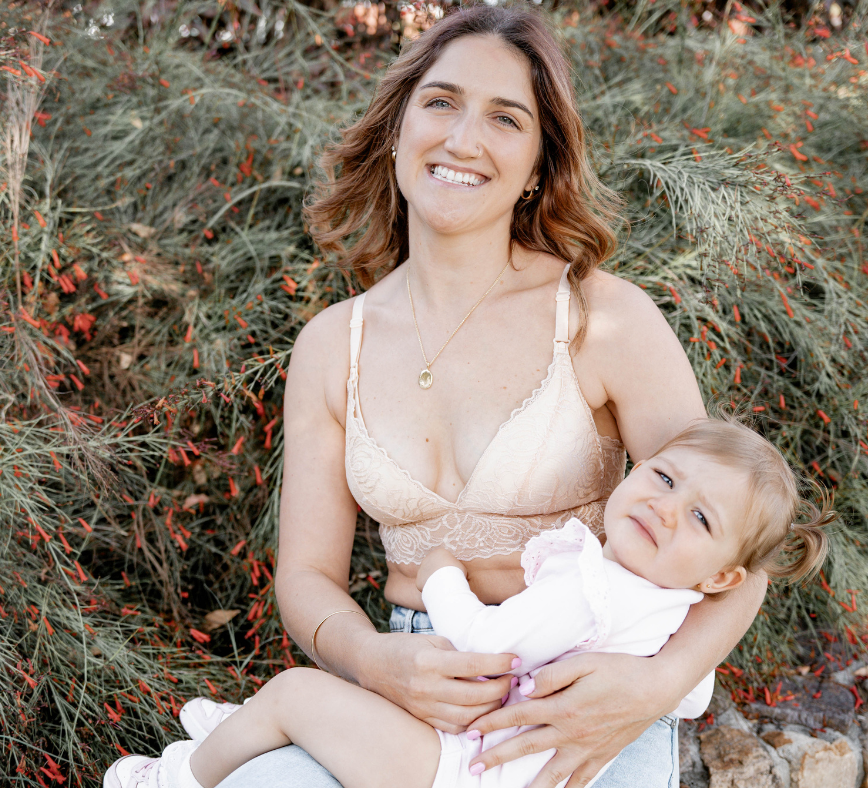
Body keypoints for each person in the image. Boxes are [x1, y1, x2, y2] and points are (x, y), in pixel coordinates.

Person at [171, 5, 770, 786]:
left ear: (537, 166)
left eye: (505, 118)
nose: (463, 139)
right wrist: (376, 661)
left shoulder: (602, 319)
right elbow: (307, 577)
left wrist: (648, 688)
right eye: (442, 101)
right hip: (410, 690)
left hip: (586, 693)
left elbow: (743, 551)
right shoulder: (331, 345)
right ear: (397, 128)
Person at [104, 419, 833, 788]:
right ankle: (247, 734)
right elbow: (692, 694)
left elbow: (484, 637)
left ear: (723, 581)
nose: (668, 509)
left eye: (702, 519)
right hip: (495, 758)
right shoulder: (665, 613)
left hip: (460, 763)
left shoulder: (591, 589)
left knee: (297, 691)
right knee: (318, 710)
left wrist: (442, 572)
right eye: (665, 478)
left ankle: (168, 778)